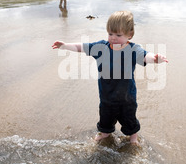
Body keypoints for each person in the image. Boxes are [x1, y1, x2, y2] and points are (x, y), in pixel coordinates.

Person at [52, 11, 168, 145]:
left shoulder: (133, 49)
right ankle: (105, 133)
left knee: (130, 121)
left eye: (118, 35)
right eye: (110, 34)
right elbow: (82, 47)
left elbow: (145, 56)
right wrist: (65, 45)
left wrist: (155, 59)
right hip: (106, 98)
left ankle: (133, 137)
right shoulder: (101, 48)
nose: (113, 38)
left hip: (127, 99)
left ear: (129, 35)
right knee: (105, 121)